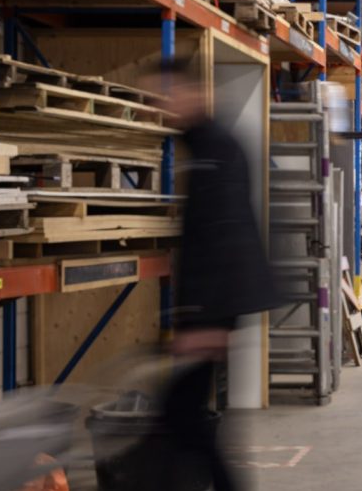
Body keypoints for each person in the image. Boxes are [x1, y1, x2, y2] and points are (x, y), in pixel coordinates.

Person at [147, 59, 286, 491]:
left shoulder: (213, 148)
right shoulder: (205, 145)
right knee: (182, 419)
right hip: (211, 308)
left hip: (211, 310)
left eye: (164, 96)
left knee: (182, 417)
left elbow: (225, 236)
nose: (159, 107)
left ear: (192, 93)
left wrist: (204, 322)